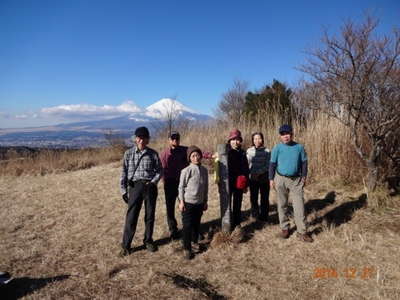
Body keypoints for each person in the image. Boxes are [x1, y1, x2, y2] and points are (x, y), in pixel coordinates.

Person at [119, 126, 163, 256]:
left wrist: (153, 181)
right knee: (131, 217)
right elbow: (124, 173)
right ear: (135, 139)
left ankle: (148, 240)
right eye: (139, 138)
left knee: (150, 216)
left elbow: (160, 170)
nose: (141, 140)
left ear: (148, 139)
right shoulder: (128, 154)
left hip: (150, 186)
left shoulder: (153, 154)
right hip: (135, 187)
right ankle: (126, 245)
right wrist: (123, 191)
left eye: (144, 138)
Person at [269, 124, 314, 242]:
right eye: (283, 134)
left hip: (296, 180)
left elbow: (304, 162)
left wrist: (304, 176)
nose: (285, 136)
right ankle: (285, 228)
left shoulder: (299, 147)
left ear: (292, 134)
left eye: (287, 133)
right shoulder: (277, 148)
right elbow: (272, 164)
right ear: (280, 136)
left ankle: (302, 232)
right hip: (280, 179)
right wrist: (271, 179)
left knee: (299, 206)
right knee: (282, 204)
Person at [178, 146, 208, 260]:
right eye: (193, 156)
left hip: (199, 203)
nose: (196, 158)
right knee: (187, 226)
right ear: (189, 158)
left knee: (196, 224)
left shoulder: (204, 170)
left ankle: (194, 242)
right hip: (188, 202)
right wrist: (181, 201)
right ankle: (187, 248)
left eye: (197, 155)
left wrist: (205, 201)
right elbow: (181, 187)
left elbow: (205, 187)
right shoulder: (186, 170)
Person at [160, 131, 188, 240]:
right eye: (173, 139)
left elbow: (197, 152)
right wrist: (164, 181)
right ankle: (173, 230)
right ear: (169, 140)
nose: (175, 141)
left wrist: (211, 155)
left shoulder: (184, 150)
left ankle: (187, 227)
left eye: (177, 138)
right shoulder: (164, 154)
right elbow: (161, 169)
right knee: (170, 207)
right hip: (170, 183)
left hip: (182, 182)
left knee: (185, 204)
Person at [246, 132, 271, 222]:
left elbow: (268, 165)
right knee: (253, 197)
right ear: (253, 140)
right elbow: (247, 164)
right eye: (255, 139)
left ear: (262, 139)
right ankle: (255, 214)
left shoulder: (267, 151)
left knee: (264, 197)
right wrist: (250, 174)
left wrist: (258, 173)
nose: (257, 140)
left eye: (259, 138)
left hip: (264, 177)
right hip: (253, 178)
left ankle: (264, 216)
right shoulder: (249, 151)